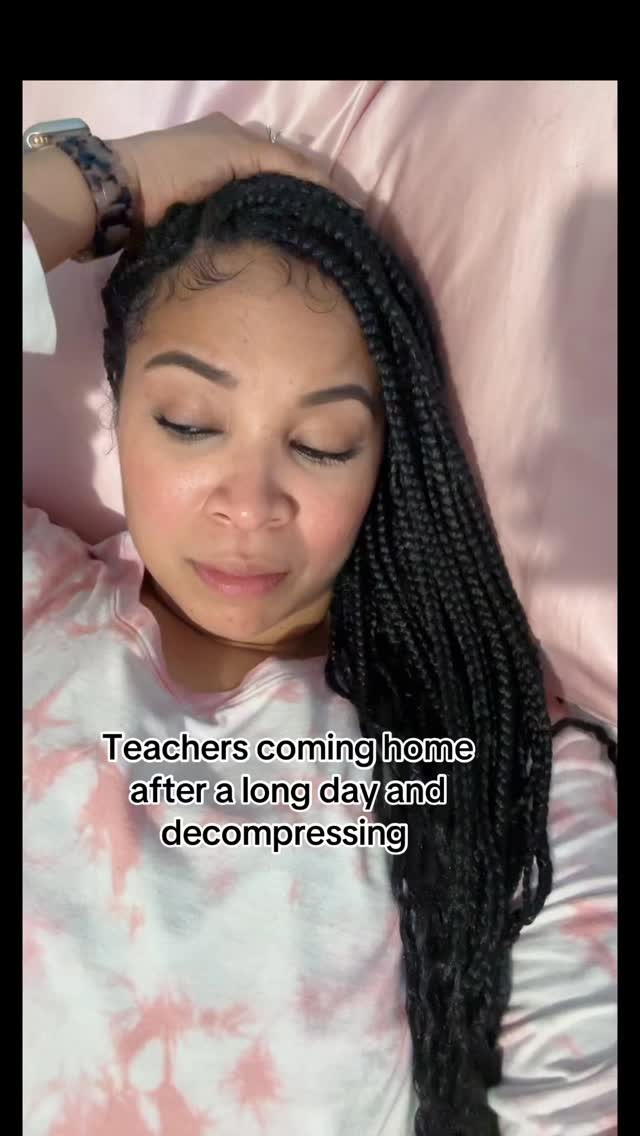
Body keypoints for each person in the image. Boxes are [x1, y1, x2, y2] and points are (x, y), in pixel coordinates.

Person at [23, 112, 617, 1136]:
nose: (250, 506)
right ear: (117, 405)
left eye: (324, 443)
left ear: (391, 457)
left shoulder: (518, 787)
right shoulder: (36, 613)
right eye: (189, 424)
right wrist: (103, 176)